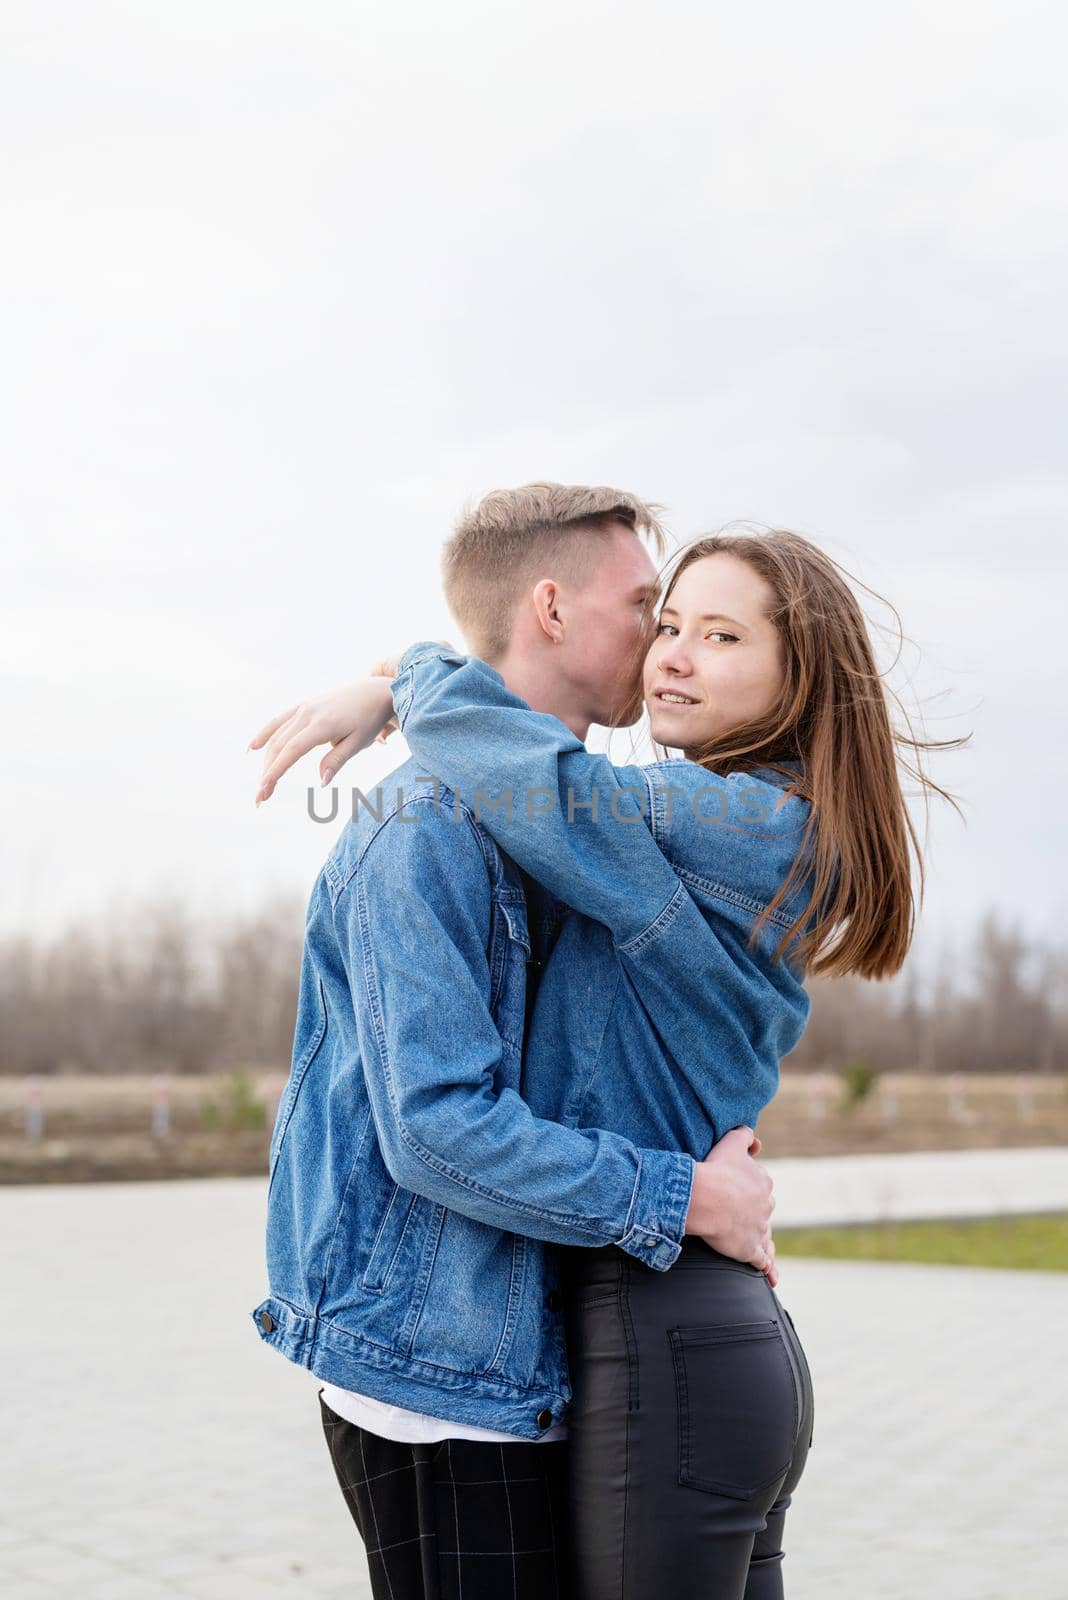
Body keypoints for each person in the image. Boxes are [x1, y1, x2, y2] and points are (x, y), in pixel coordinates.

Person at [255, 490, 966, 1598]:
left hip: (661, 1342)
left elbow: (549, 785)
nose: (666, 652)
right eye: (659, 613)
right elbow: (437, 1127)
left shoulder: (711, 824)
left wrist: (406, 677)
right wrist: (686, 1194)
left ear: (798, 678)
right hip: (617, 1342)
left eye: (714, 634)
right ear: (550, 606)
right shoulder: (438, 831)